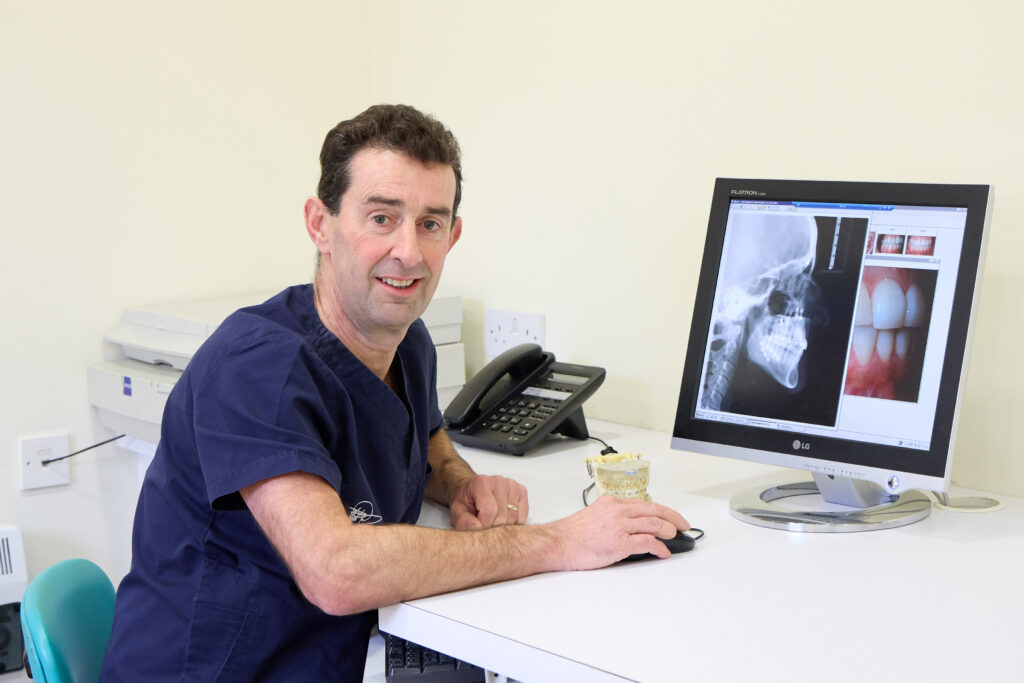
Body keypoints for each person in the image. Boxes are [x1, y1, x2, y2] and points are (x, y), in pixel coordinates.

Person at [100, 104, 690, 681]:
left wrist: (460, 483)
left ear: (453, 236)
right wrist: (560, 541)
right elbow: (337, 572)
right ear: (319, 224)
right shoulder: (258, 367)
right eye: (381, 217)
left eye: (430, 223)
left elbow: (424, 436)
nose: (409, 252)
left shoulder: (407, 341)